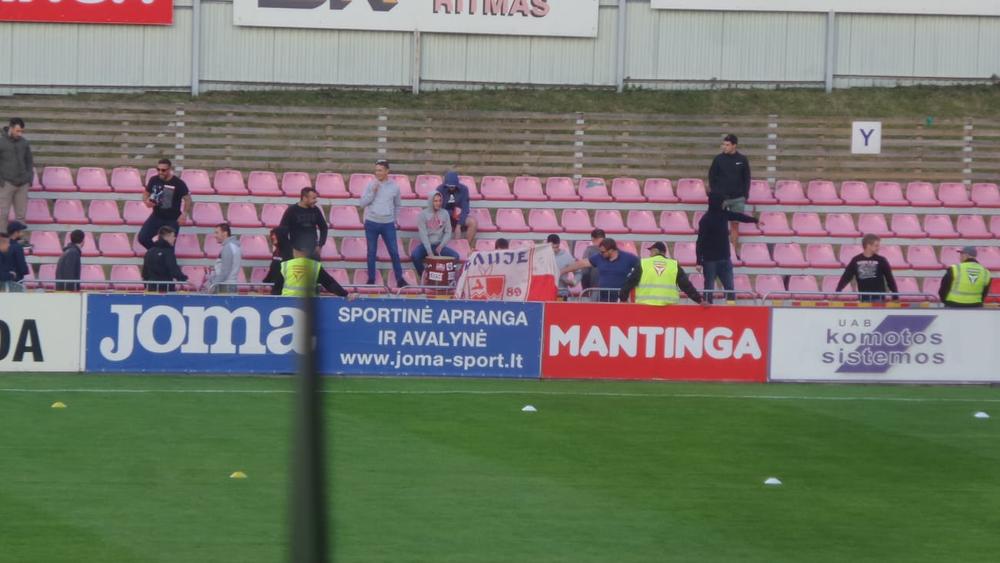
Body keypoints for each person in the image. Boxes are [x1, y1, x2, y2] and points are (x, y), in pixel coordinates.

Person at [696, 193, 758, 303]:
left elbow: (739, 216)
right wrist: (698, 261)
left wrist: (754, 220)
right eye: (723, 201)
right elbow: (700, 241)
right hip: (710, 260)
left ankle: (731, 310)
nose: (725, 203)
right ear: (717, 202)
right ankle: (706, 311)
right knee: (709, 289)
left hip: (725, 258)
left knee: (729, 288)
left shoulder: (723, 214)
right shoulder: (705, 220)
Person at [263, 227, 355, 299]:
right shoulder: (314, 266)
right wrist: (346, 294)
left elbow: (278, 285)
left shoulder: (285, 265)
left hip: (287, 302)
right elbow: (329, 283)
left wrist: (274, 296)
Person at [359, 159, 405, 287]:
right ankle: (371, 279)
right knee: (371, 252)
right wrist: (372, 192)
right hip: (372, 223)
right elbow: (362, 203)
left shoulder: (394, 186)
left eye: (380, 170)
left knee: (394, 252)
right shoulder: (370, 185)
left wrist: (393, 219)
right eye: (376, 170)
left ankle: (400, 279)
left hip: (388, 224)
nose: (377, 173)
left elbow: (398, 205)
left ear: (387, 171)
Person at [621, 242, 705, 306]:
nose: (650, 254)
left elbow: (630, 282)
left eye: (651, 251)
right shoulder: (674, 265)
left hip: (645, 306)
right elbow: (686, 285)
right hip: (669, 308)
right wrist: (700, 300)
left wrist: (623, 298)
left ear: (656, 251)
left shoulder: (643, 263)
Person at [708, 134, 751, 253]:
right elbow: (712, 176)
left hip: (737, 198)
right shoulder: (718, 159)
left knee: (735, 225)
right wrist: (715, 193)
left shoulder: (742, 160)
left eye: (727, 145)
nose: (724, 147)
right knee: (718, 225)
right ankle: (717, 251)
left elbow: (746, 178)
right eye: (723, 145)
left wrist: (745, 194)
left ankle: (733, 251)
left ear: (734, 145)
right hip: (721, 198)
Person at [560, 238, 640, 302]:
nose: (601, 253)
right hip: (603, 298)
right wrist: (562, 271)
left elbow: (641, 267)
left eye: (603, 252)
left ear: (611, 250)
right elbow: (581, 263)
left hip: (621, 298)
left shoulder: (628, 258)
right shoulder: (599, 257)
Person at [138, 159, 191, 249]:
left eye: (163, 170)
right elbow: (146, 194)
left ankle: (164, 255)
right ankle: (157, 253)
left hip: (172, 219)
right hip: (156, 216)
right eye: (158, 169)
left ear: (169, 169)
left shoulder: (178, 183)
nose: (160, 172)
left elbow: (188, 199)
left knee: (169, 245)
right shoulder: (153, 179)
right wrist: (146, 201)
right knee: (143, 238)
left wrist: (184, 214)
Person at [836, 234, 899, 302]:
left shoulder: (881, 260)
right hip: (863, 297)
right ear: (868, 246)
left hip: (878, 297)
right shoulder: (856, 260)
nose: (878, 248)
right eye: (876, 245)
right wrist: (838, 291)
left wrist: (895, 296)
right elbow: (846, 277)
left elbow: (889, 278)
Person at [411, 191, 459, 280]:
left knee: (455, 256)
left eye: (440, 201)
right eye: (435, 201)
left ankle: (446, 278)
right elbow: (423, 235)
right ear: (431, 201)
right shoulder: (423, 215)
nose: (438, 203)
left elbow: (448, 232)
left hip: (439, 245)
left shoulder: (445, 213)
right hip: (426, 245)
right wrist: (429, 252)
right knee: (415, 255)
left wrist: (441, 246)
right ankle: (425, 276)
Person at [0, 118, 34, 234]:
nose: (20, 134)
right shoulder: (1, 142)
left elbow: (29, 161)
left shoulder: (24, 143)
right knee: (2, 213)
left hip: (23, 184)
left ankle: (19, 239)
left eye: (22, 131)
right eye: (18, 131)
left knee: (21, 215)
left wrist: (29, 177)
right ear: (10, 128)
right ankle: (2, 239)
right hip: (6, 184)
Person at [279, 187, 328, 258]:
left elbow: (324, 228)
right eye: (313, 198)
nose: (316, 200)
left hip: (313, 251)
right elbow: (282, 230)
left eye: (316, 198)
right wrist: (288, 248)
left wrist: (320, 245)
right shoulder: (292, 210)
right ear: (304, 198)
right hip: (296, 252)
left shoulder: (316, 210)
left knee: (313, 269)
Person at [142, 226, 188, 293]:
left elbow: (145, 272)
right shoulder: (168, 252)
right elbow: (173, 268)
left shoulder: (149, 251)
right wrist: (184, 279)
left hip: (151, 288)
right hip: (166, 289)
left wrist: (146, 285)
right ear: (166, 237)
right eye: (173, 236)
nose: (175, 238)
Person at [436, 171, 478, 245]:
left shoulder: (464, 189)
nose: (451, 188)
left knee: (473, 222)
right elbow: (437, 208)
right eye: (449, 186)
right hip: (444, 216)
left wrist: (459, 225)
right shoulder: (440, 189)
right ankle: (439, 247)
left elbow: (465, 208)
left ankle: (465, 246)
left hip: (458, 216)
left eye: (453, 186)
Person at [206, 223, 241, 294]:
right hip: (229, 285)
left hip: (225, 286)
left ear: (225, 233)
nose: (215, 236)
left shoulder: (228, 248)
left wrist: (212, 285)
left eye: (217, 233)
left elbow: (224, 273)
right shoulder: (234, 246)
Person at [580, 228, 606, 300]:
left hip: (593, 289)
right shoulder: (612, 251)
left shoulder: (589, 252)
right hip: (611, 289)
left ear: (592, 238)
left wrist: (585, 289)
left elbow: (585, 272)